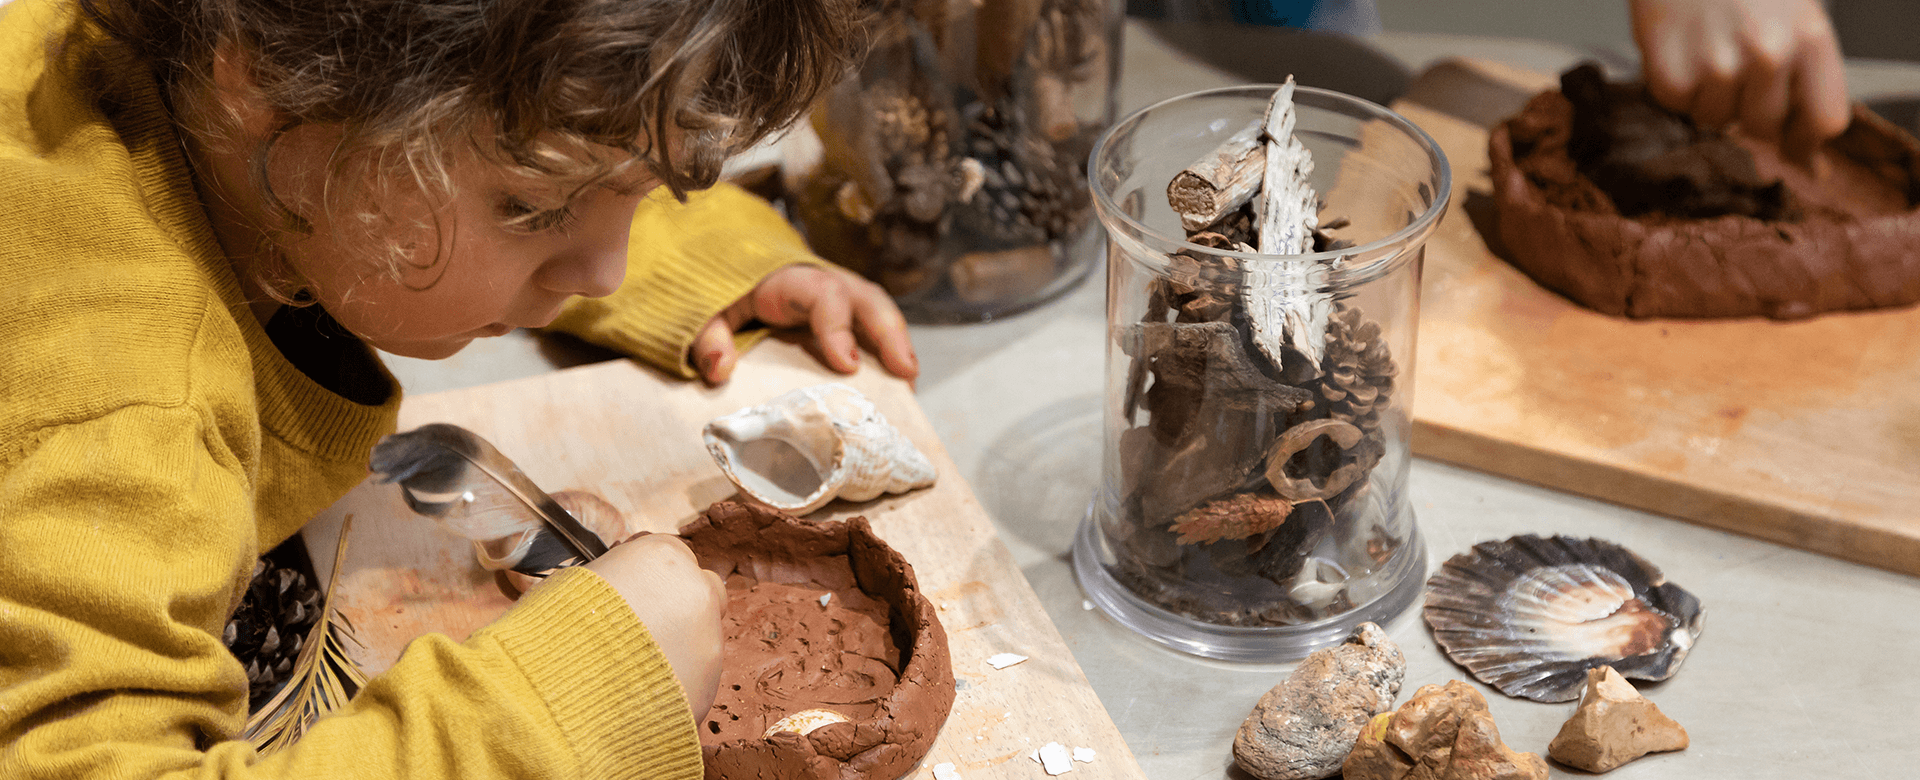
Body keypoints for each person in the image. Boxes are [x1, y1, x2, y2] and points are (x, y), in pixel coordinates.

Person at [0, 0, 913, 777]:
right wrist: (564, 708)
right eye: (536, 208)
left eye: (639, 195)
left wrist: (704, 264)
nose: (605, 270)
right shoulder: (120, 411)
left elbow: (507, 121)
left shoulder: (193, 71)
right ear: (270, 87)